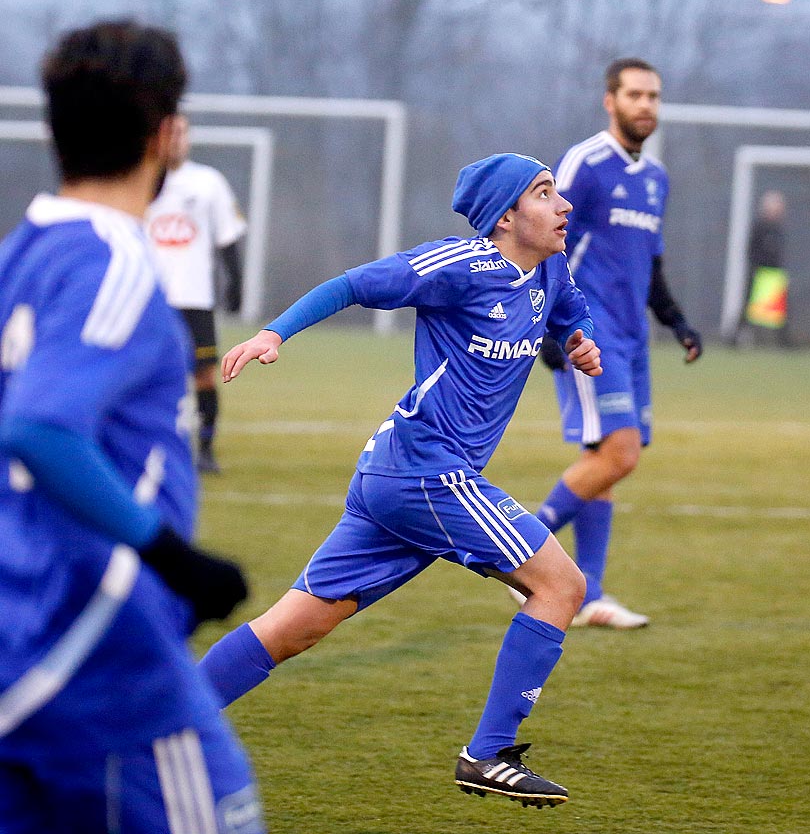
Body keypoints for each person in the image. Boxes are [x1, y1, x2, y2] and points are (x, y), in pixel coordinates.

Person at [199, 153, 602, 808]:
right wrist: (275, 333)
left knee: (291, 629)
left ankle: (150, 725)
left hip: (398, 481)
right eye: (544, 192)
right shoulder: (460, 266)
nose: (564, 206)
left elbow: (569, 305)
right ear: (505, 216)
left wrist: (579, 336)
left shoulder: (548, 270)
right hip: (424, 472)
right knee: (561, 584)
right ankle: (488, 754)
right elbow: (354, 284)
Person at [0, 20, 261, 833]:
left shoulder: (20, 255)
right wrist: (175, 557)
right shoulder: (110, 260)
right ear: (165, 133)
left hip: (23, 624)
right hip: (103, 643)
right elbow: (40, 428)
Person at [535, 58, 702, 629]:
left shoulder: (656, 179)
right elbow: (547, 244)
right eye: (634, 95)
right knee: (620, 454)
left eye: (653, 96)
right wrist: (550, 327)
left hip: (631, 339)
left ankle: (589, 592)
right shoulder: (586, 163)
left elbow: (649, 265)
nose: (646, 105)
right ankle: (519, 550)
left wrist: (676, 321)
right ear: (610, 100)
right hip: (588, 332)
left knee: (603, 460)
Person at [146, 115, 247, 474]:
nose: (175, 139)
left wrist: (235, 281)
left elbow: (227, 237)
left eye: (181, 132)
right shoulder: (140, 178)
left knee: (204, 375)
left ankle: (204, 448)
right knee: (141, 373)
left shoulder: (208, 182)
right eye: (168, 131)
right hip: (149, 297)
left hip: (194, 298)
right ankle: (144, 444)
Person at [738, 189, 792, 348]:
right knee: (750, 308)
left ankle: (784, 342)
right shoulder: (759, 227)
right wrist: (756, 268)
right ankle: (735, 338)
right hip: (759, 273)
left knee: (780, 310)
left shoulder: (778, 228)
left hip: (774, 275)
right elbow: (751, 250)